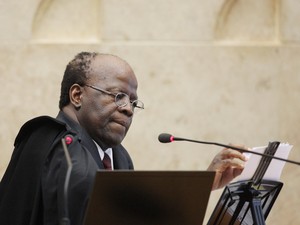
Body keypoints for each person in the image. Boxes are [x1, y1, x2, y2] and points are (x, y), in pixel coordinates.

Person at [0, 52, 246, 225]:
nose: (128, 108)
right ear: (77, 95)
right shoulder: (49, 139)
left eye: (133, 101)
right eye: (118, 96)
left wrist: (205, 184)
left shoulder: (118, 156)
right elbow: (87, 191)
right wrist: (192, 190)